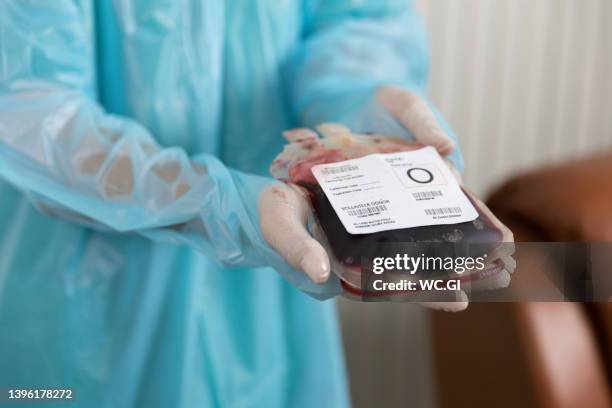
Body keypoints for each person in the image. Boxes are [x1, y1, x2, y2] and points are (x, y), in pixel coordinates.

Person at [0, 1, 463, 406]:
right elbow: (35, 113)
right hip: (90, 294)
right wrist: (222, 202)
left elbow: (351, 19)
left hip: (274, 272)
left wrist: (362, 103)